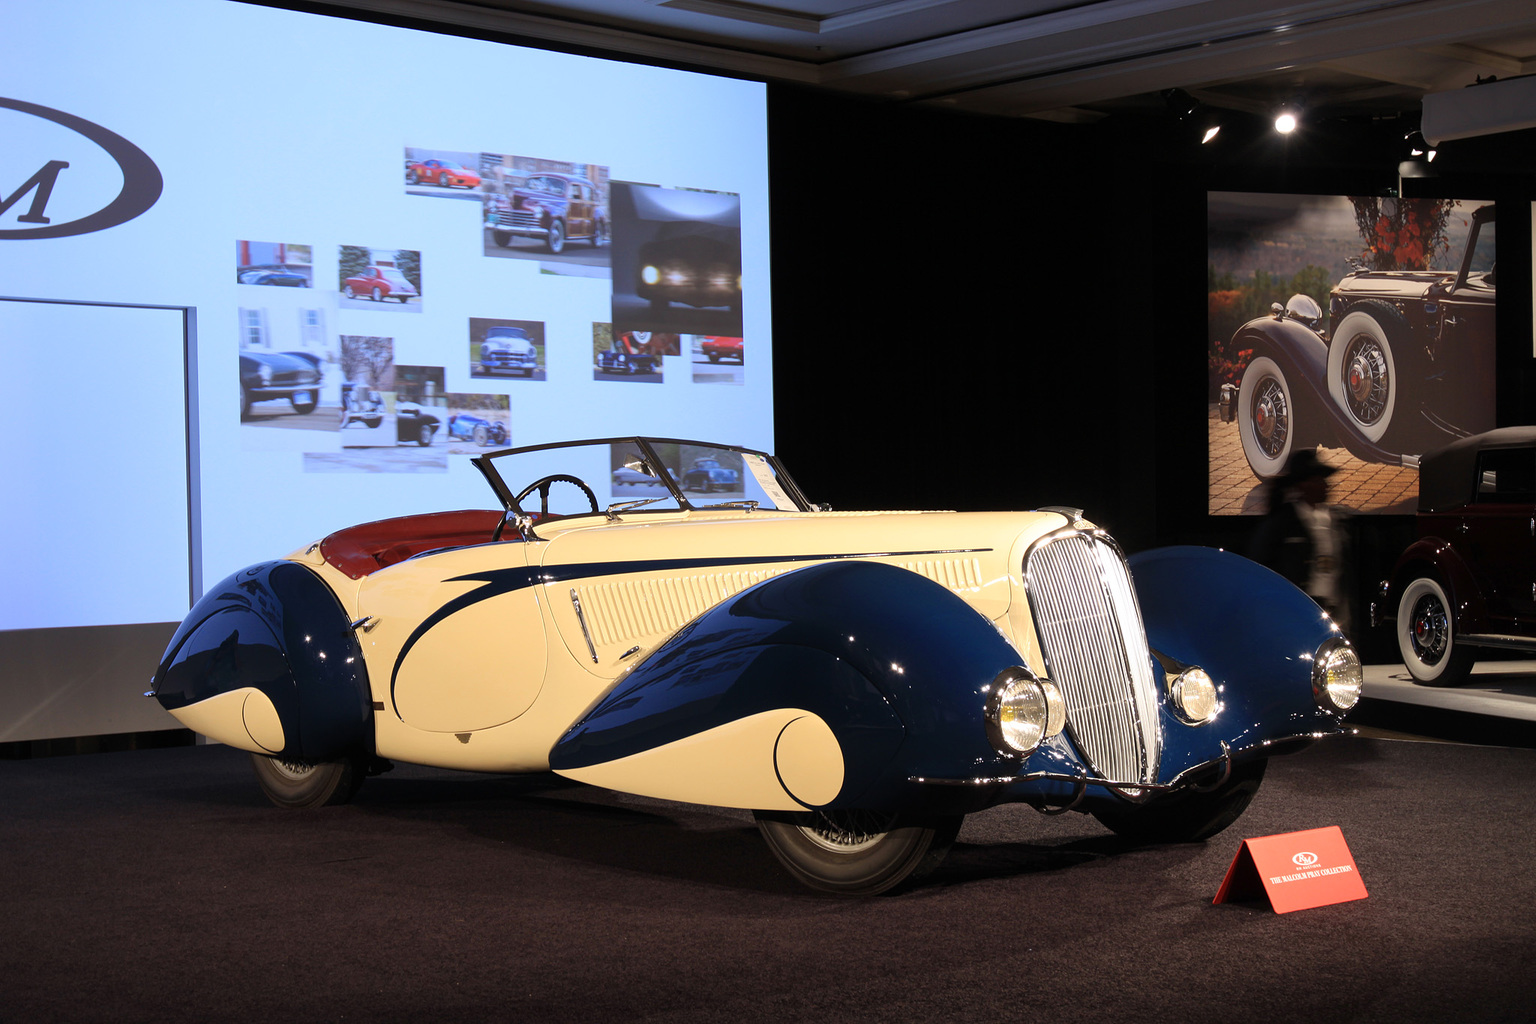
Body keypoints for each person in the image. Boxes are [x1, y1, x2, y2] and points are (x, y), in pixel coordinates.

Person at [1249, 450, 1346, 624]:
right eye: (1319, 480)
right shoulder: (1281, 524)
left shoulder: (1335, 522)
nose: (1326, 485)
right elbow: (1260, 566)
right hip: (1296, 613)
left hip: (1331, 613)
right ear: (1303, 485)